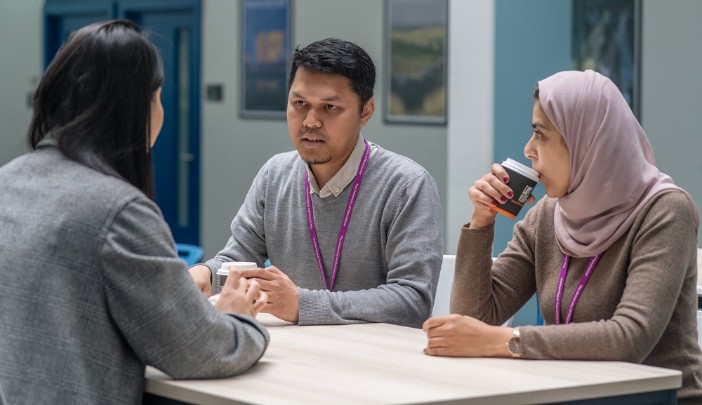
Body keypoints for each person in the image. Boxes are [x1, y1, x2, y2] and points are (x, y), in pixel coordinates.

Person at [0, 20, 269, 404]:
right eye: (157, 96)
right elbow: (197, 349)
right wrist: (237, 317)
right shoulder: (118, 211)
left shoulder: (7, 182)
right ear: (137, 105)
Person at [422, 70, 702, 403]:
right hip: (568, 391)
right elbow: (474, 321)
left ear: (585, 140)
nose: (528, 150)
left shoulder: (666, 210)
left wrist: (505, 341)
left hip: (659, 399)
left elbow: (631, 336)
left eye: (540, 135)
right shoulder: (549, 214)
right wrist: (481, 223)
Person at [189, 38, 444, 328]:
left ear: (366, 111)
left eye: (329, 107)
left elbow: (412, 300)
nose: (310, 121)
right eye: (300, 104)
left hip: (375, 360)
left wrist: (303, 304)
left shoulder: (406, 185)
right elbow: (239, 256)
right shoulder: (276, 174)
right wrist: (204, 275)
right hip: (297, 354)